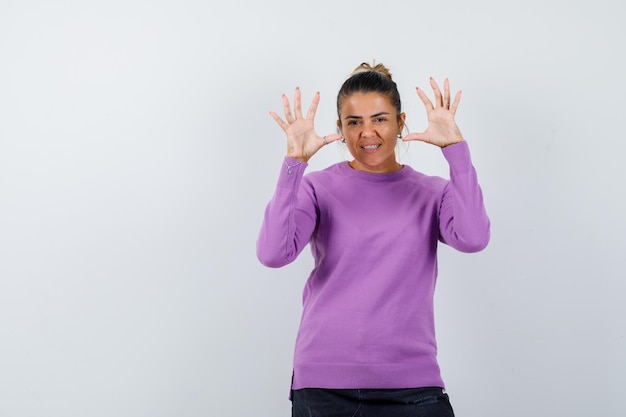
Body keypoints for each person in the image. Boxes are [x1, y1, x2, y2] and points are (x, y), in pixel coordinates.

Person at [256, 62, 490, 417]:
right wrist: (293, 165)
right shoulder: (317, 187)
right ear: (339, 128)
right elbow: (273, 253)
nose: (368, 132)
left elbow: (473, 238)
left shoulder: (432, 193)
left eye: (380, 119)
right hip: (325, 385)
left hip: (413, 384)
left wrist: (456, 151)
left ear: (400, 121)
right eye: (354, 122)